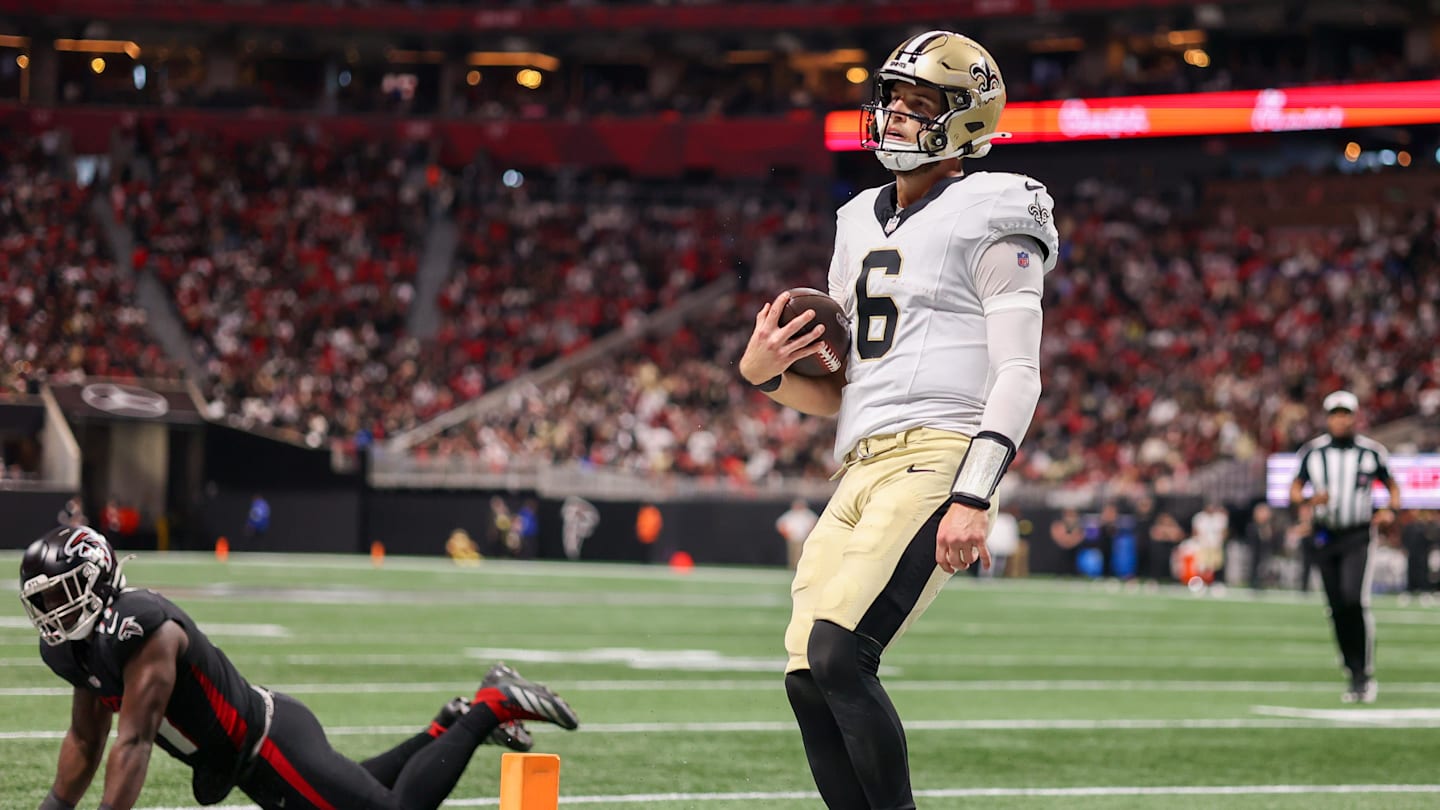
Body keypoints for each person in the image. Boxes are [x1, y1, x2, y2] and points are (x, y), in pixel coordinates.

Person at [739, 30, 1058, 810]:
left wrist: (974, 494)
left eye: (921, 107)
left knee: (842, 655)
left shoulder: (997, 205)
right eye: (893, 102)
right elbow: (845, 387)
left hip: (939, 454)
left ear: (967, 121)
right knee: (807, 677)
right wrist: (764, 374)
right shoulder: (854, 219)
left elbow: (1018, 372)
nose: (897, 119)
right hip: (860, 464)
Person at [19, 525, 579, 810]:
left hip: (269, 744)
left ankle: (488, 707)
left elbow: (133, 742)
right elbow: (85, 740)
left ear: (95, 579)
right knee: (356, 791)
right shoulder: (78, 647)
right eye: (41, 602)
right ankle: (446, 724)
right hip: (256, 754)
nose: (51, 613)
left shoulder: (143, 627)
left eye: (59, 595)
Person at [1289, 390, 1401, 704]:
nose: (1341, 420)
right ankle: (1351, 667)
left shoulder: (1371, 452)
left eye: (1346, 414)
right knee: (1337, 606)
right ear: (1327, 418)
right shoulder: (1313, 452)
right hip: (1325, 535)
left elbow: (1392, 485)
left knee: (1354, 598)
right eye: (1335, 414)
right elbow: (1295, 489)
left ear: (1354, 417)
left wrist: (1389, 510)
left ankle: (1363, 672)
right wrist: (1310, 500)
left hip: (1357, 534)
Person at [776, 499, 820, 570]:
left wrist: (809, 533)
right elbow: (780, 524)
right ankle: (792, 568)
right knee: (792, 554)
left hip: (802, 538)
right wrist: (787, 534)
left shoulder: (807, 514)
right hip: (792, 538)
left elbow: (814, 523)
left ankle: (799, 568)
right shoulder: (790, 515)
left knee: (800, 554)